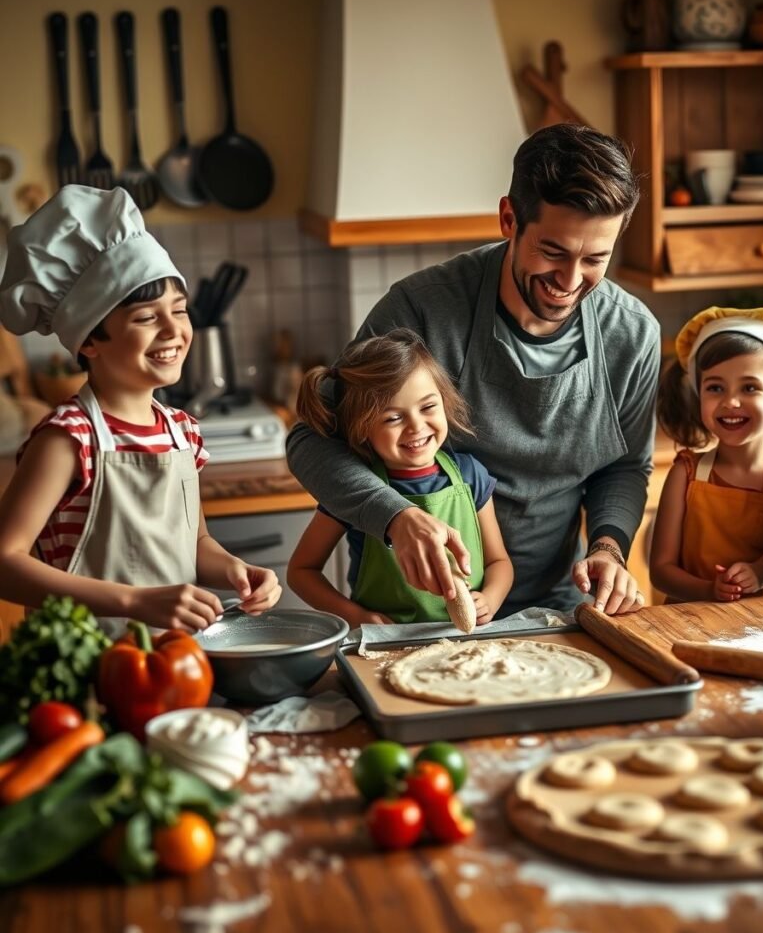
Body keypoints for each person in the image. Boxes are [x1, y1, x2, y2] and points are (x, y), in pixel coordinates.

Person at [287, 124, 661, 616]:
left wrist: (608, 547)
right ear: (509, 218)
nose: (570, 281)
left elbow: (624, 466)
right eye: (552, 252)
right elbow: (311, 443)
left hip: (557, 609)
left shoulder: (632, 335)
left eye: (596, 259)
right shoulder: (420, 312)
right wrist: (395, 516)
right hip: (415, 620)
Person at [0, 185, 282, 631]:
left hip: (174, 665)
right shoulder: (68, 438)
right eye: (147, 318)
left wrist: (233, 569)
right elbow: (5, 561)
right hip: (87, 671)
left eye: (180, 310)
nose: (173, 330)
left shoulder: (181, 431)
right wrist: (131, 601)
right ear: (90, 340)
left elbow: (194, 541)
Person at [287, 330, 513, 625]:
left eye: (428, 406)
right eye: (393, 417)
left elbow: (500, 562)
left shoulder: (471, 476)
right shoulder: (353, 491)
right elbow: (301, 572)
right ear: (361, 428)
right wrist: (356, 617)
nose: (416, 427)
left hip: (466, 645)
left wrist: (491, 598)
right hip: (385, 646)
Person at [650, 306, 763, 603]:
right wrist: (708, 590)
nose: (730, 401)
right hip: (682, 619)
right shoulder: (685, 473)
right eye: (715, 387)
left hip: (754, 626)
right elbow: (661, 571)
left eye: (749, 387)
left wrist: (760, 572)